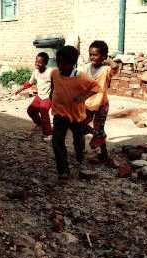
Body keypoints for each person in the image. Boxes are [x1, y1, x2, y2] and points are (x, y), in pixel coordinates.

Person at [50, 46, 100, 180]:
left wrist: (83, 97)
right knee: (57, 141)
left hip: (77, 116)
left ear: (72, 63)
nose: (60, 66)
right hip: (59, 114)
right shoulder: (54, 73)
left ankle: (80, 157)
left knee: (78, 140)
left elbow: (96, 87)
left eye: (64, 63)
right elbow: (53, 87)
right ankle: (63, 170)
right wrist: (51, 99)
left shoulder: (81, 77)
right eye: (58, 62)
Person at [83, 40, 119, 162]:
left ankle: (104, 154)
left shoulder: (106, 70)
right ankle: (97, 134)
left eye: (95, 55)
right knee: (80, 126)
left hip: (101, 105)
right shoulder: (86, 68)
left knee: (99, 127)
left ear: (103, 56)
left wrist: (108, 60)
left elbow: (115, 67)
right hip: (87, 103)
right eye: (91, 54)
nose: (92, 57)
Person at [14, 52, 53, 140]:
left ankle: (49, 133)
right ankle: (40, 123)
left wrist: (54, 97)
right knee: (31, 110)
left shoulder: (50, 72)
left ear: (45, 63)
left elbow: (56, 85)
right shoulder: (35, 71)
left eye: (39, 62)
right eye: (36, 61)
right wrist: (20, 89)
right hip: (39, 96)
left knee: (43, 111)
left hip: (47, 97)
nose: (37, 64)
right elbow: (30, 82)